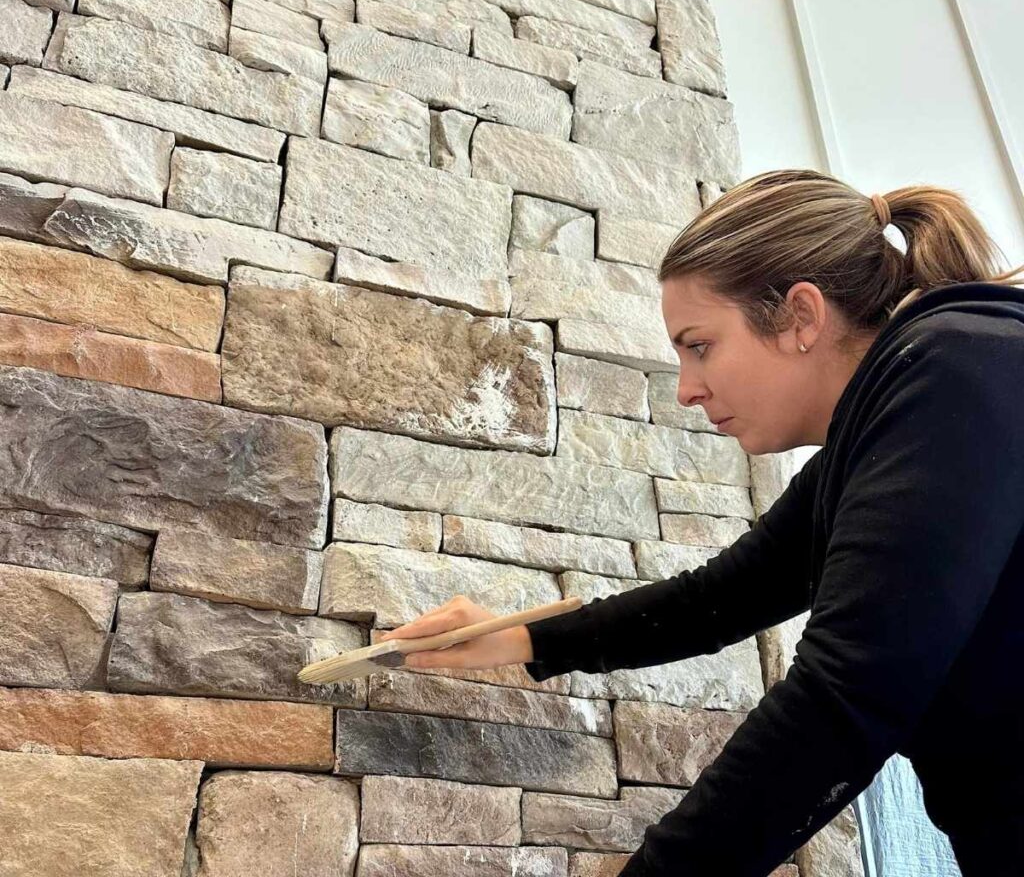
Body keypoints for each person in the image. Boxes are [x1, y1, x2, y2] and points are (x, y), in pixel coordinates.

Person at [378, 170, 1024, 876]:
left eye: (700, 345)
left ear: (801, 317)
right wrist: (521, 638)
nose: (687, 389)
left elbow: (842, 701)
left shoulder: (956, 370)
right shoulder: (885, 428)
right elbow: (716, 599)